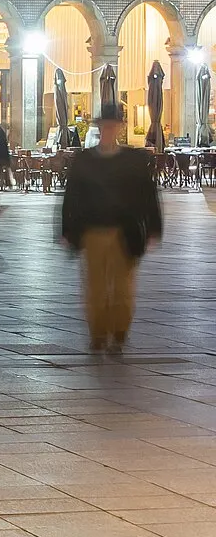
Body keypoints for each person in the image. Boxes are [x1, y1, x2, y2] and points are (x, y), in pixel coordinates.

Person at [60, 102, 162, 355]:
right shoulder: (85, 160)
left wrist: (154, 226)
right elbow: (70, 195)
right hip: (92, 230)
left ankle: (118, 332)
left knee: (122, 287)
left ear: (119, 128)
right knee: (95, 287)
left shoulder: (133, 160)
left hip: (124, 231)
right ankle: (97, 334)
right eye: (104, 126)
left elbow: (148, 195)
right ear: (99, 128)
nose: (108, 130)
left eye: (112, 126)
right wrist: (65, 229)